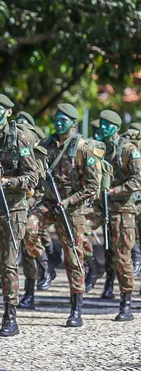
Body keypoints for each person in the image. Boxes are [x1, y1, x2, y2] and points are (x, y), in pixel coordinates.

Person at [23, 104, 100, 327]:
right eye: (57, 118)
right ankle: (45, 264)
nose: (58, 122)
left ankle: (76, 308)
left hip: (72, 209)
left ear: (73, 123)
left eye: (63, 119)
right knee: (28, 228)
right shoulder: (46, 144)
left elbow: (92, 187)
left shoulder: (84, 148)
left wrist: (69, 201)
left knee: (73, 258)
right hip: (49, 203)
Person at [0, 93, 38, 336]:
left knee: (8, 262)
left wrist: (8, 182)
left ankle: (9, 315)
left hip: (13, 207)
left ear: (8, 112)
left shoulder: (20, 138)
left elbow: (32, 177)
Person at [99, 110, 141, 321]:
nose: (101, 128)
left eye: (107, 125)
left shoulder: (128, 149)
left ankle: (126, 303)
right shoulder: (98, 149)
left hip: (124, 208)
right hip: (101, 205)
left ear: (115, 128)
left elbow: (137, 181)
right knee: (76, 230)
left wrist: (114, 191)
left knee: (122, 255)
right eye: (101, 124)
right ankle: (92, 268)